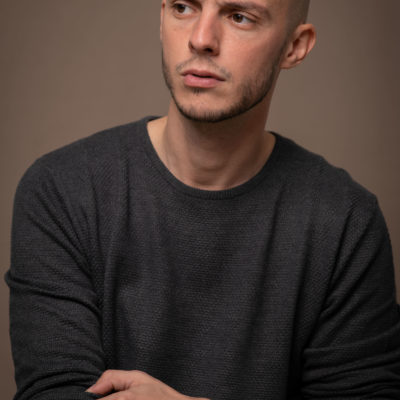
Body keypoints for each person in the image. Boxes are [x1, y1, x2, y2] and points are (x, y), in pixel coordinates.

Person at [6, 0, 400, 399]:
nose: (200, 38)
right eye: (183, 7)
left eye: (239, 16)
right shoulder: (62, 189)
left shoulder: (346, 221)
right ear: (162, 17)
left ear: (294, 47)